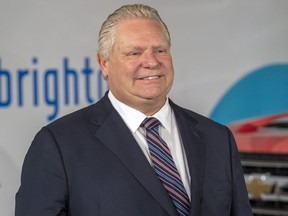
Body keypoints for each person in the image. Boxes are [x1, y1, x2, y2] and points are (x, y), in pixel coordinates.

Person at [15, 4, 252, 216]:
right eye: (134, 53)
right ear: (104, 63)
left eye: (159, 50)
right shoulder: (58, 145)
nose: (151, 62)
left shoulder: (218, 138)